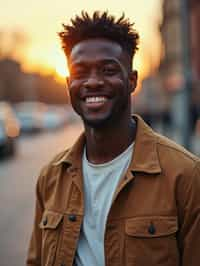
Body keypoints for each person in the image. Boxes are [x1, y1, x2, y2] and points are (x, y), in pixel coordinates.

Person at [26, 11, 200, 266]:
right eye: (81, 72)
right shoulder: (50, 178)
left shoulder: (185, 175)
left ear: (132, 81)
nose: (93, 82)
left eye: (108, 70)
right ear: (68, 84)